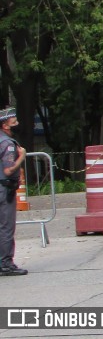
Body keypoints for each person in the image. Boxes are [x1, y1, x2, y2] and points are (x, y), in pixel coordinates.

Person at [0, 107, 28, 276]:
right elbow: (8, 170)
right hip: (4, 190)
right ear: (5, 125)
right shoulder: (7, 144)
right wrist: (21, 157)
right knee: (6, 227)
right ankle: (5, 264)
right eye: (14, 121)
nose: (17, 123)